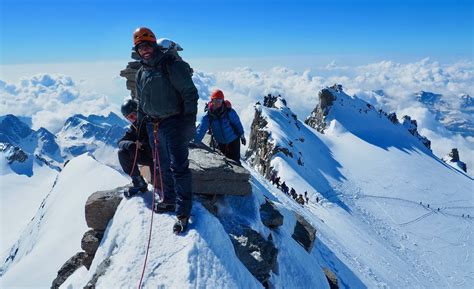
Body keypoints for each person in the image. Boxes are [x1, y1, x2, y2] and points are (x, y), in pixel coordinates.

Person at [133, 27, 198, 234]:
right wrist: (141, 129)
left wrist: (188, 121)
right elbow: (141, 102)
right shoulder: (141, 72)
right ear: (137, 50)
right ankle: (169, 200)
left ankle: (183, 213)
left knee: (179, 168)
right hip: (154, 125)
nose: (145, 50)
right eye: (140, 47)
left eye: (147, 46)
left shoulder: (169, 65)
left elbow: (189, 92)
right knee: (161, 165)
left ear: (154, 45)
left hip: (174, 123)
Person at [194, 89, 245, 164]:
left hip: (233, 140)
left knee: (235, 161)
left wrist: (242, 135)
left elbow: (237, 123)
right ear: (212, 101)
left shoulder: (228, 111)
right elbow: (201, 129)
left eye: (220, 100)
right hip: (220, 142)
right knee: (224, 162)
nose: (218, 102)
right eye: (216, 100)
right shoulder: (208, 116)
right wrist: (196, 141)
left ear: (223, 101)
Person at [118, 99, 153, 198]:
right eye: (129, 118)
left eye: (133, 115)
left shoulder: (150, 121)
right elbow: (120, 142)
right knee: (122, 153)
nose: (133, 119)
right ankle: (138, 182)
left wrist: (142, 143)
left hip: (158, 156)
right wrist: (130, 145)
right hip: (148, 157)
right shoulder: (134, 128)